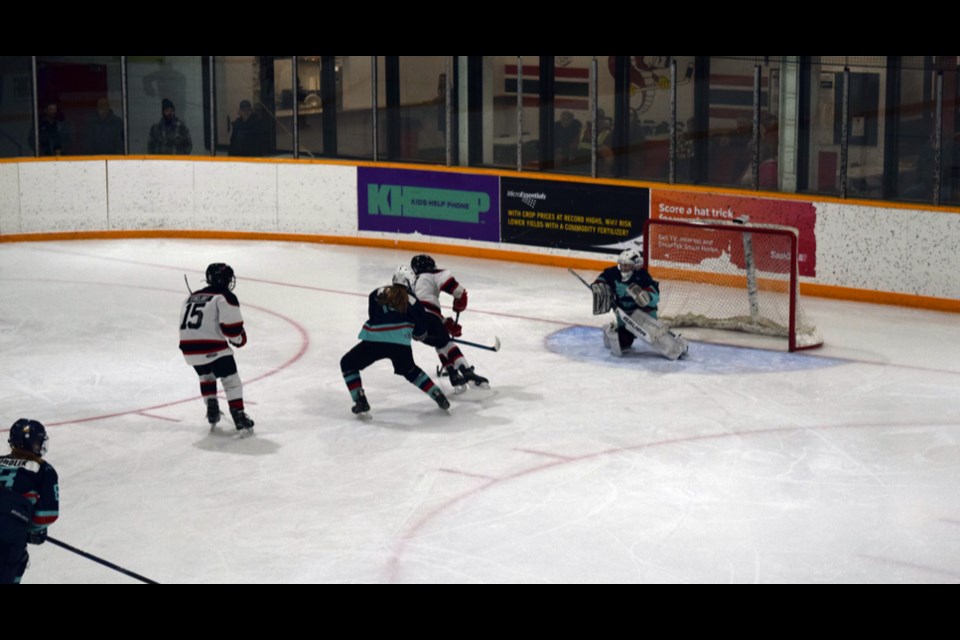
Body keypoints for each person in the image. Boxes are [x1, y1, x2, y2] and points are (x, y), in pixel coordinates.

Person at [340, 265, 450, 416]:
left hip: (374, 340)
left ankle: (360, 401)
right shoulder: (414, 302)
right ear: (410, 282)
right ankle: (437, 394)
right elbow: (420, 333)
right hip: (399, 345)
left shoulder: (376, 293)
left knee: (347, 364)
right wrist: (411, 333)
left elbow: (374, 317)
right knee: (411, 371)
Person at [179, 263, 254, 437]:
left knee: (206, 375)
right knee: (231, 380)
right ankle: (239, 416)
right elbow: (232, 330)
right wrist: (239, 339)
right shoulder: (224, 296)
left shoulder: (191, 297)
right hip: (212, 348)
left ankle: (211, 406)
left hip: (188, 351)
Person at [410, 254, 489, 392]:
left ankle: (453, 374)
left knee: (439, 341)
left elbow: (423, 308)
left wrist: (445, 323)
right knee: (445, 342)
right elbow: (458, 291)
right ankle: (466, 372)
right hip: (428, 317)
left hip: (413, 324)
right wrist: (459, 303)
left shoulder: (412, 282)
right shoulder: (434, 274)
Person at [590, 248, 688, 360]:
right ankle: (612, 329)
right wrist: (599, 284)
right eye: (621, 265)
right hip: (624, 316)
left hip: (643, 316)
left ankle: (675, 346)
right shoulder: (613, 273)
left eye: (627, 265)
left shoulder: (642, 276)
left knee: (658, 339)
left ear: (635, 265)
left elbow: (655, 296)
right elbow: (603, 277)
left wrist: (646, 296)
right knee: (621, 345)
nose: (623, 268)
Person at [1, 419, 59, 585]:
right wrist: (27, 529)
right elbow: (47, 514)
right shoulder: (43, 469)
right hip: (9, 539)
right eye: (38, 442)